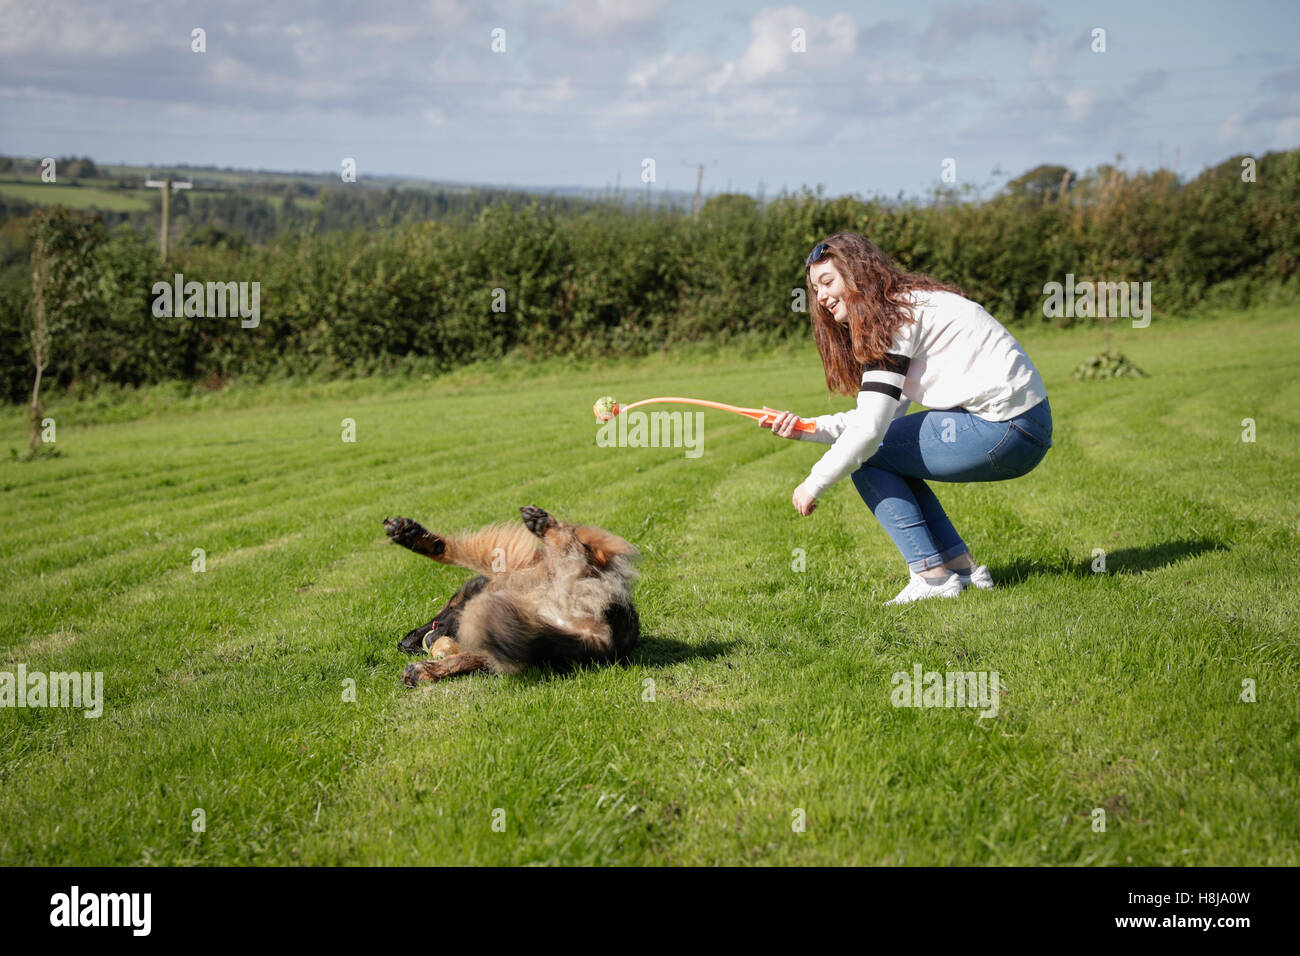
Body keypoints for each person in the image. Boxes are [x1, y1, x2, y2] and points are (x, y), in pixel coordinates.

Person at [762, 233, 1053, 606]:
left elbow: (869, 431)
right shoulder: (905, 306)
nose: (820, 297)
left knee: (870, 455)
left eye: (828, 282)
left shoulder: (891, 322)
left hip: (1005, 429)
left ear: (856, 275)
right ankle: (961, 571)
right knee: (885, 448)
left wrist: (813, 483)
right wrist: (805, 428)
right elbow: (879, 416)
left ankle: (931, 578)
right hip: (1028, 426)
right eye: (814, 288)